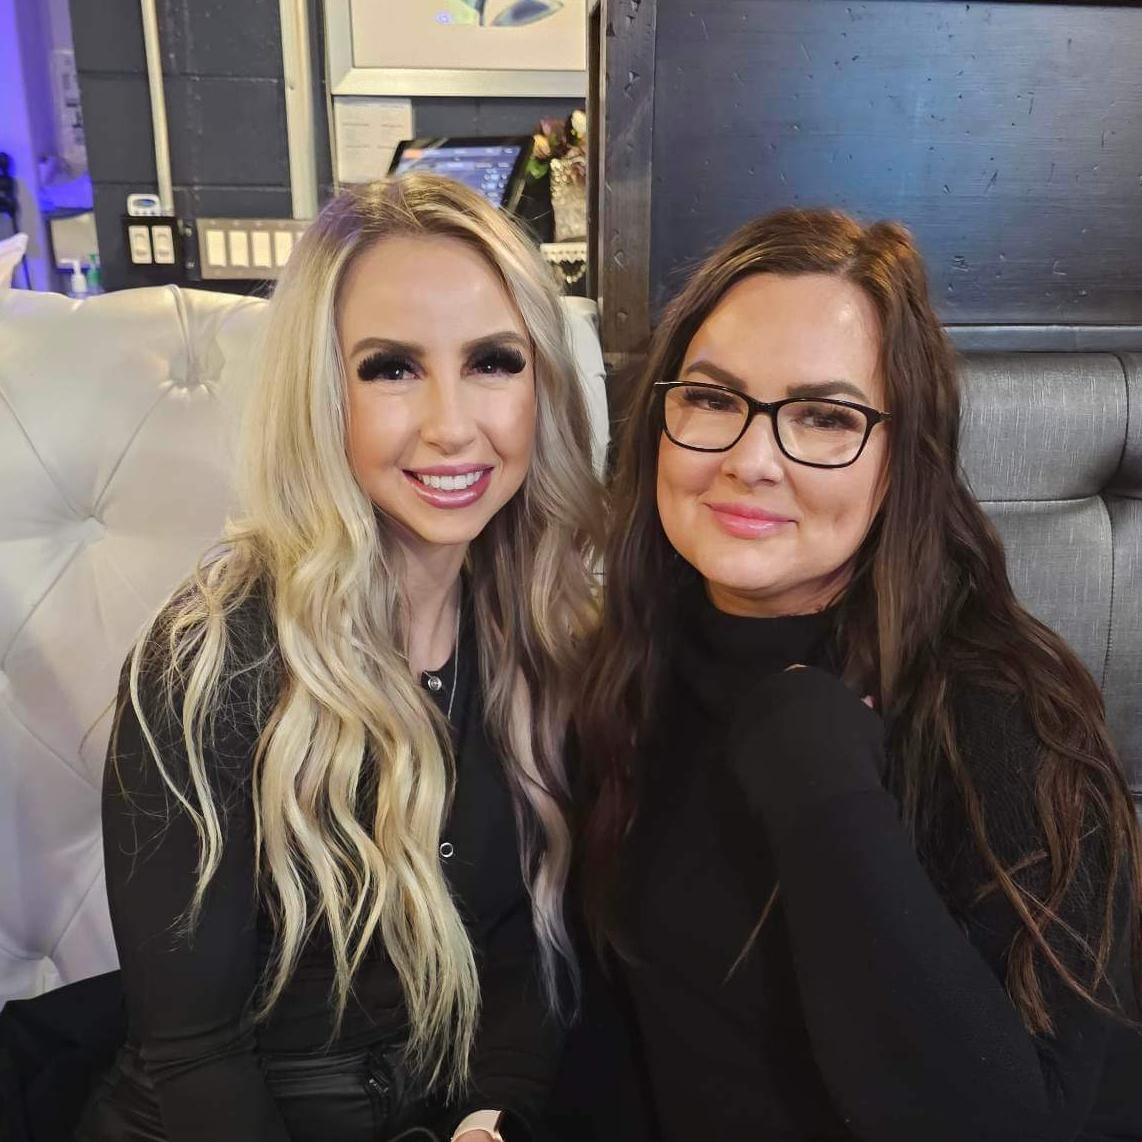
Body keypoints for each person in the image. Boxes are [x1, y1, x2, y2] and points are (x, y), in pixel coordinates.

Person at [573, 208, 1142, 1141]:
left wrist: (818, 775)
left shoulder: (1005, 715)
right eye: (712, 398)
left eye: (825, 417)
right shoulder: (628, 671)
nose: (751, 460)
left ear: (901, 461)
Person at [77, 173, 603, 1142]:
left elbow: (528, 947)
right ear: (320, 393)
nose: (452, 424)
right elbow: (192, 1057)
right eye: (390, 368)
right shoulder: (204, 665)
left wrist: (492, 1114)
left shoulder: (544, 634)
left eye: (492, 361)